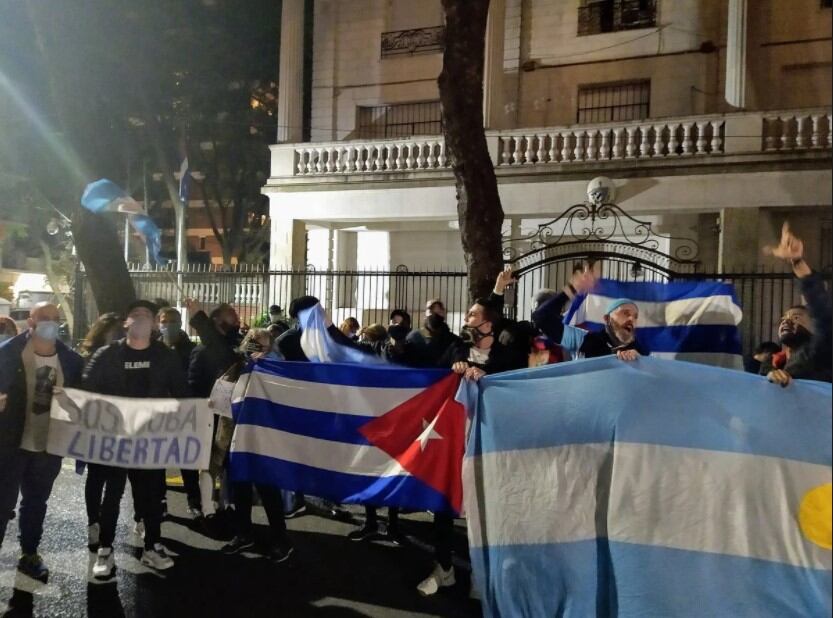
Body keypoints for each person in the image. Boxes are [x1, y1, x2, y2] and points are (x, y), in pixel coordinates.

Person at [419, 269, 529, 597]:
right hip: (453, 439)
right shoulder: (458, 346)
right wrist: (456, 367)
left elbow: (512, 377)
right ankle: (444, 569)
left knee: (486, 507)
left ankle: (483, 577)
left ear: (490, 323)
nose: (466, 317)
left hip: (493, 438)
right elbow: (440, 365)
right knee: (444, 502)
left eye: (473, 314)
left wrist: (487, 373)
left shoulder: (510, 344)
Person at [83, 300, 187, 578]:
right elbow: (86, 391)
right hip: (114, 439)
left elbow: (182, 395)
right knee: (112, 496)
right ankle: (105, 550)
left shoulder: (166, 357)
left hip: (149, 439)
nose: (140, 319)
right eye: (135, 315)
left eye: (146, 316)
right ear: (126, 322)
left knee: (151, 496)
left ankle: (152, 546)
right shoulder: (107, 355)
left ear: (154, 324)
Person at [0, 303, 84, 583]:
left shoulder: (70, 360)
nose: (50, 323)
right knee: (2, 503)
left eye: (55, 319)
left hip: (49, 445)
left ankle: (30, 554)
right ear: (31, 321)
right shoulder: (8, 353)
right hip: (10, 444)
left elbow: (82, 399)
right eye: (44, 318)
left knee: (36, 502)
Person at [185, 301, 243, 518]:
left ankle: (226, 502)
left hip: (230, 412)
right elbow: (194, 384)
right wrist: (200, 318)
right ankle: (207, 505)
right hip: (209, 413)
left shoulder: (235, 344)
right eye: (232, 315)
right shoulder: (203, 351)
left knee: (227, 460)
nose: (237, 319)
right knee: (209, 462)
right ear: (217, 320)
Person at [763, 223, 832, 385]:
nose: (787, 321)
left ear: (812, 325)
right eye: (784, 318)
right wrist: (771, 378)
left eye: (796, 317)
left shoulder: (820, 350)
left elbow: (821, 311)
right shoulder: (769, 364)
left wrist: (797, 262)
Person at [531, 266, 647, 360]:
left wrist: (641, 362)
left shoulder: (642, 352)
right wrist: (571, 290)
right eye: (625, 313)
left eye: (635, 316)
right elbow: (541, 317)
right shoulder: (583, 340)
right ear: (607, 319)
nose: (631, 318)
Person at [158, 307, 195, 374]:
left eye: (173, 322)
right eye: (164, 322)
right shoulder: (153, 349)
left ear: (180, 324)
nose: (168, 325)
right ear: (159, 325)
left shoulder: (192, 350)